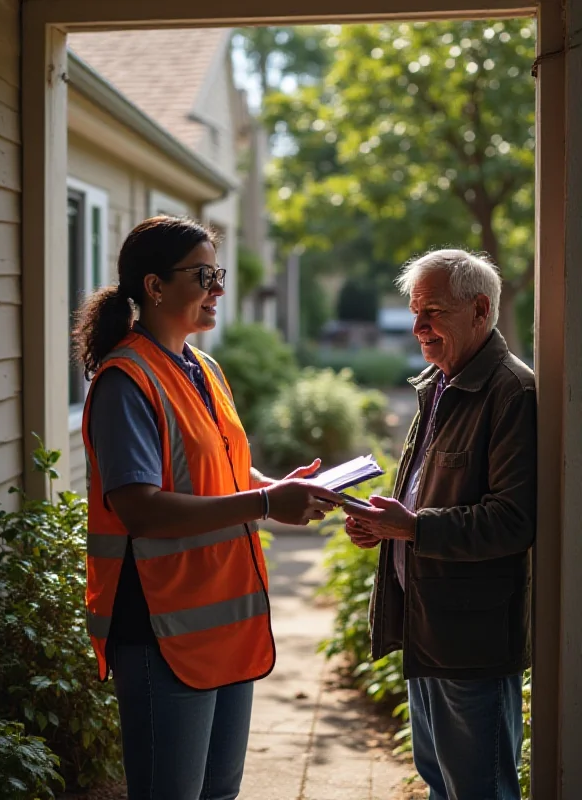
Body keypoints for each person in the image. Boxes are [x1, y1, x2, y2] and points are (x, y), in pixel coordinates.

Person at [73, 215, 342, 800]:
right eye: (204, 275)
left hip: (219, 620)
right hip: (158, 624)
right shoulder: (126, 381)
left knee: (219, 792)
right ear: (155, 286)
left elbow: (215, 464)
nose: (219, 287)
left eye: (216, 273)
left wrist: (272, 484)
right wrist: (268, 501)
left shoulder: (203, 368)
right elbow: (141, 508)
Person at [344, 249, 536, 800]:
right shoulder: (441, 382)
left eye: (432, 311)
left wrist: (412, 528)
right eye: (414, 310)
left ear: (480, 310)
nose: (418, 326)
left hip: (471, 639)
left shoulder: (510, 391)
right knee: (439, 782)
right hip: (427, 626)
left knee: (478, 789)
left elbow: (511, 521)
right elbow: (431, 492)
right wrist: (386, 525)